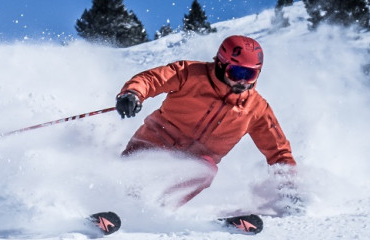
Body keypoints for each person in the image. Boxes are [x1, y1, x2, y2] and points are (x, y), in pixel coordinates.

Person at [114, 35, 300, 212]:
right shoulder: (190, 74)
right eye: (236, 72)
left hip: (195, 160)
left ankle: (158, 209)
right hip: (154, 140)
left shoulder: (256, 109)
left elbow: (279, 152)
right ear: (221, 64)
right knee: (128, 179)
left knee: (205, 170)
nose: (243, 81)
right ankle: (112, 201)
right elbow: (152, 79)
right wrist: (133, 94)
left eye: (250, 74)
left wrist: (289, 190)